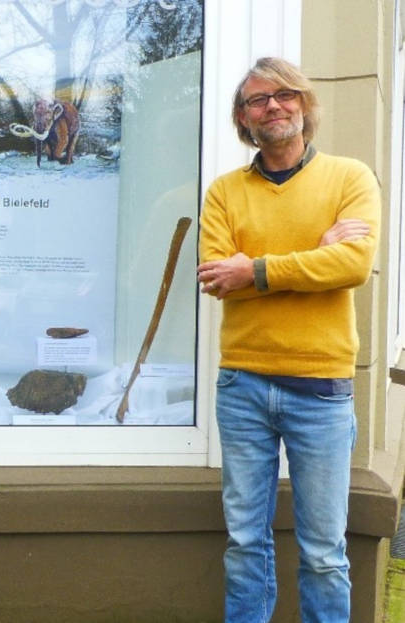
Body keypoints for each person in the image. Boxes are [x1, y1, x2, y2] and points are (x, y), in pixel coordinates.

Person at [197, 57, 380, 623]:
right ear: (242, 118)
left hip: (321, 391)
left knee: (324, 553)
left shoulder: (350, 177)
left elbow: (352, 264)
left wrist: (254, 270)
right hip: (243, 386)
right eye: (257, 100)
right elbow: (214, 277)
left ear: (304, 105)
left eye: (284, 95)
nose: (273, 106)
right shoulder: (226, 191)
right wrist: (313, 254)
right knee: (244, 542)